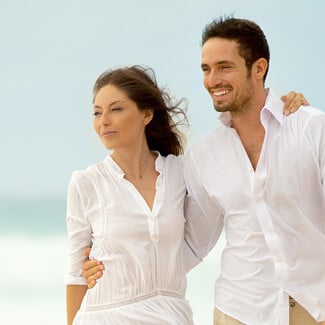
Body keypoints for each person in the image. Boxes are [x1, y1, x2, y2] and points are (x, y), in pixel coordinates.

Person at [82, 16, 324, 325]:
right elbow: (190, 245)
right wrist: (110, 262)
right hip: (240, 311)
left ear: (258, 68)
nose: (212, 80)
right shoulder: (204, 155)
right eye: (206, 69)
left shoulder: (311, 130)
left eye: (224, 67)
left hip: (314, 307)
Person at [65, 65, 200, 325]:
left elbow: (199, 239)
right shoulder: (86, 183)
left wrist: (291, 111)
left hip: (171, 316)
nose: (103, 120)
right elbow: (75, 272)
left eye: (116, 109)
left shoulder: (180, 173)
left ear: (146, 114)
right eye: (97, 112)